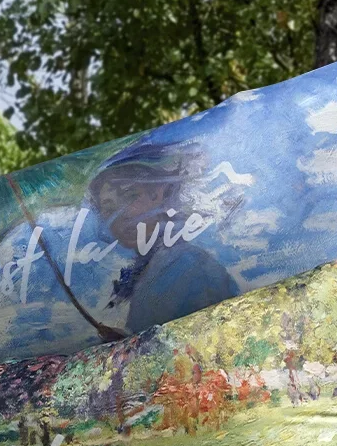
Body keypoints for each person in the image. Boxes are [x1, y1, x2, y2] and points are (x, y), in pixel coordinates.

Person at [88, 139, 243, 333]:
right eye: (109, 208)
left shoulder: (190, 266)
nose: (120, 215)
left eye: (130, 197)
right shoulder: (148, 270)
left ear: (161, 195)